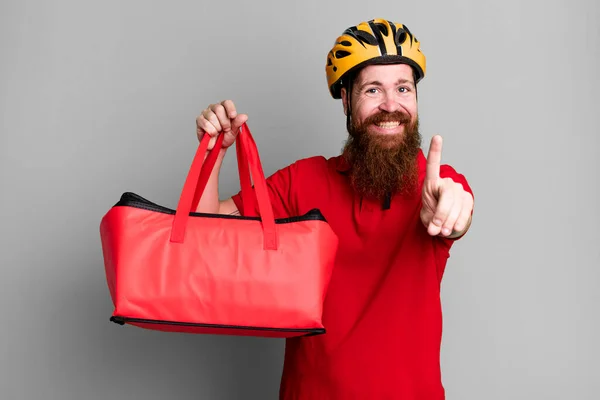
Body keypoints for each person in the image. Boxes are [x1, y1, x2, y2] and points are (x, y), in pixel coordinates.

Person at [195, 18, 474, 400]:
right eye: (373, 89)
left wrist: (451, 213)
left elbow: (456, 209)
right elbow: (206, 236)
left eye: (403, 88)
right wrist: (213, 155)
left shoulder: (436, 183)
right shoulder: (303, 181)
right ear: (346, 99)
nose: (391, 105)